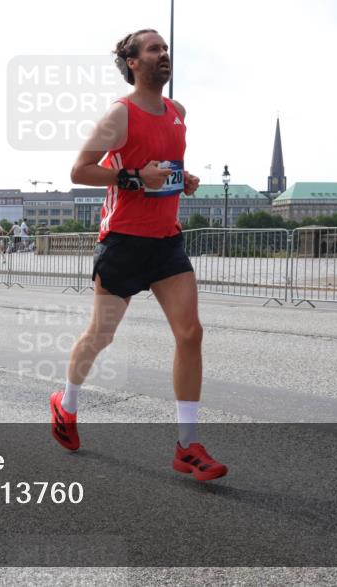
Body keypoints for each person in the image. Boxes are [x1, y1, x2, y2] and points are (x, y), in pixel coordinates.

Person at [49, 28, 227, 481]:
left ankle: (187, 445)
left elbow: (163, 165)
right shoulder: (120, 114)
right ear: (132, 62)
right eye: (153, 49)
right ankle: (66, 403)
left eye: (165, 48)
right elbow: (80, 170)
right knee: (100, 336)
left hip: (166, 242)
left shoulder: (177, 112)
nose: (164, 54)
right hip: (123, 242)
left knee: (191, 333)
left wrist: (182, 179)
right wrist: (132, 177)